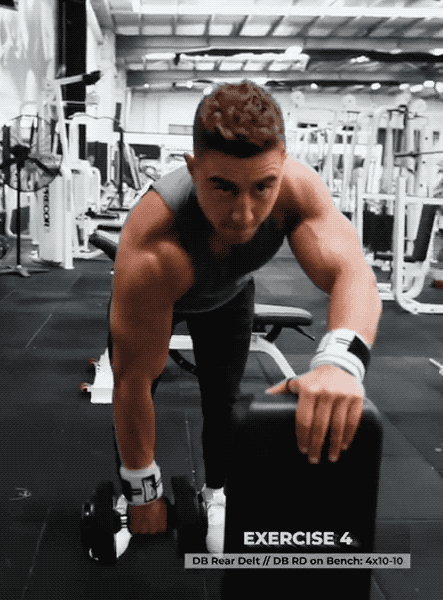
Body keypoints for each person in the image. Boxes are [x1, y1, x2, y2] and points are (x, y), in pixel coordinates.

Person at [109, 80, 382, 554]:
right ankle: (131, 490)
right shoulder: (154, 247)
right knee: (137, 383)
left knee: (223, 400)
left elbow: (352, 272)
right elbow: (132, 384)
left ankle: (217, 493)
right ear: (193, 169)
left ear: (283, 164)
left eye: (263, 186)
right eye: (223, 187)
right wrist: (143, 491)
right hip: (162, 295)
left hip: (229, 294)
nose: (245, 213)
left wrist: (339, 363)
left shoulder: (297, 190)